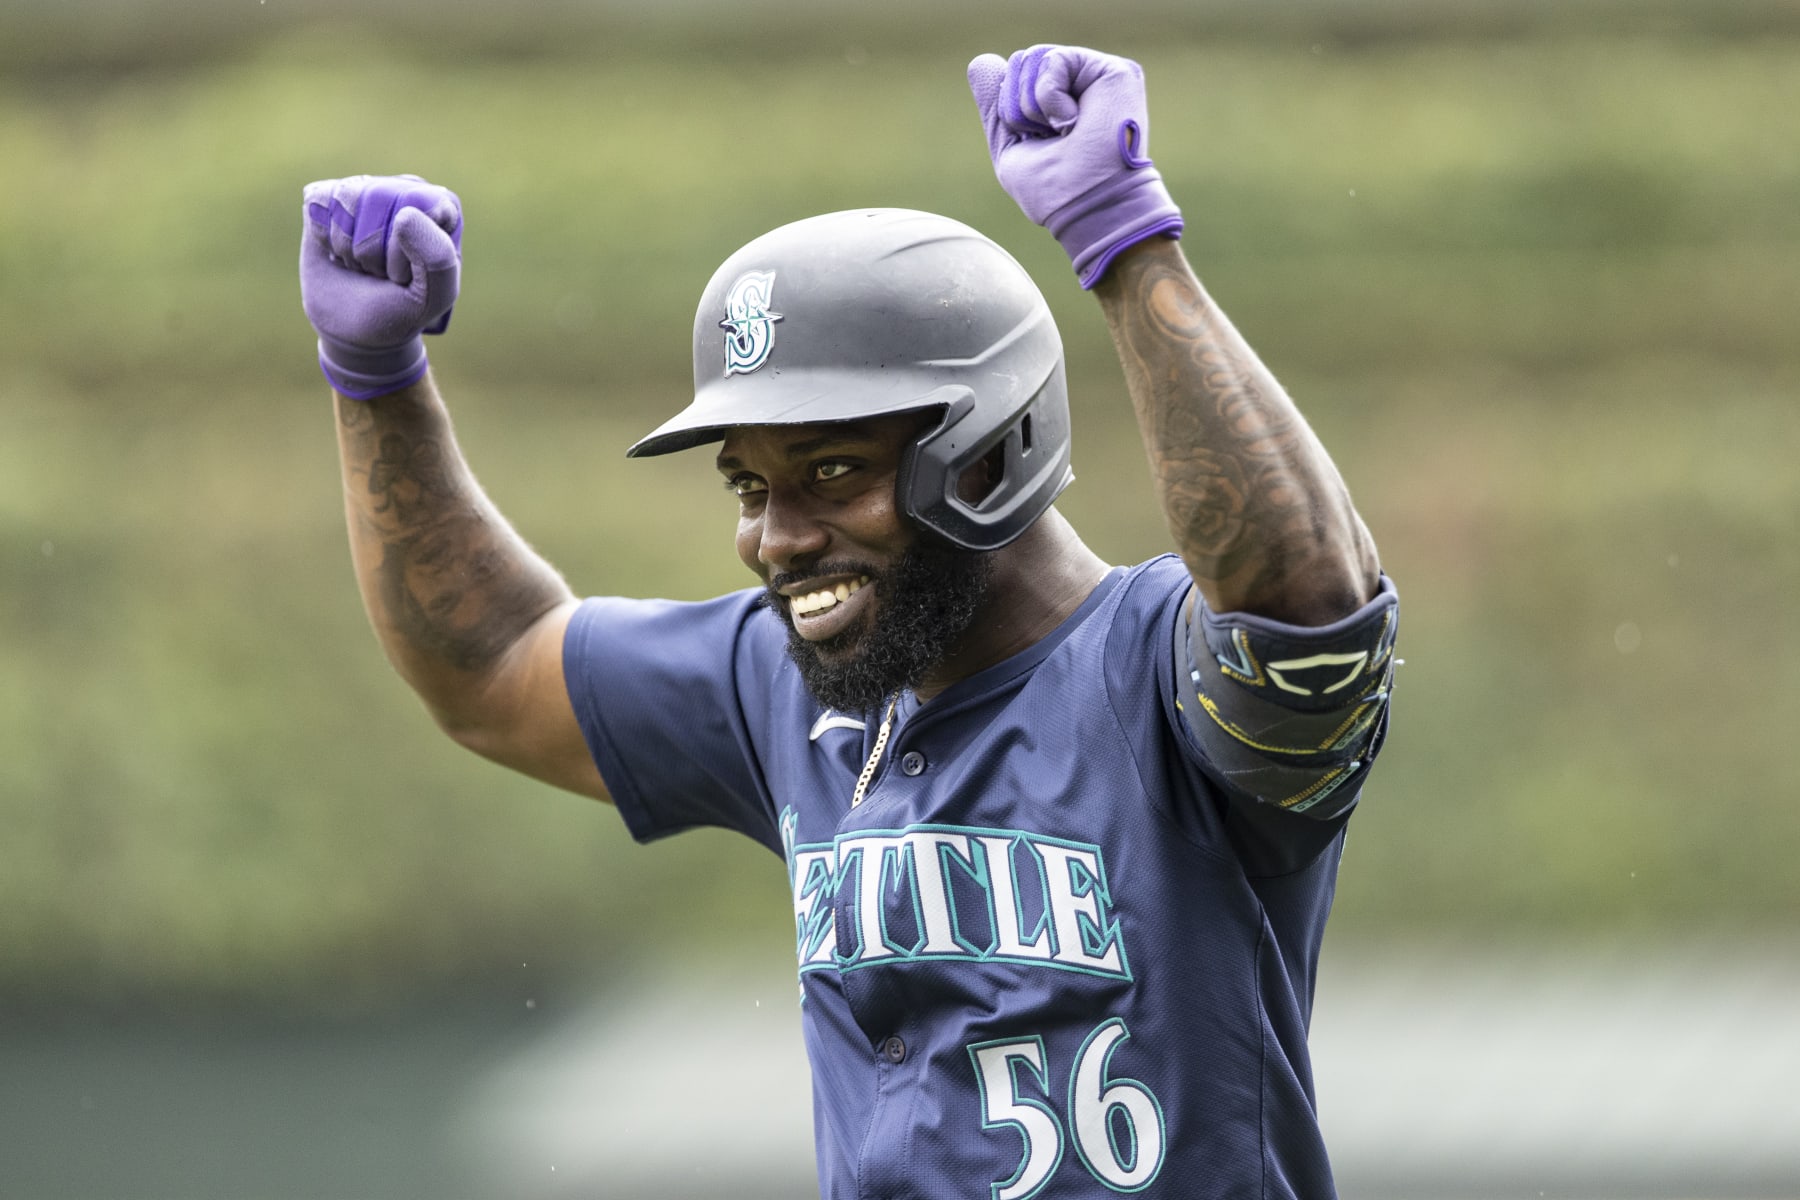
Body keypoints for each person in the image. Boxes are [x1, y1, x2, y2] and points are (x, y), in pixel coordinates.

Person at [299, 43, 1397, 1200]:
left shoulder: (1159, 674)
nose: (775, 537)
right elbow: (491, 665)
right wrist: (373, 376)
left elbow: (1309, 609)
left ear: (992, 451)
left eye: (831, 468)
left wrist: (1124, 239)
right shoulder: (788, 683)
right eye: (748, 484)